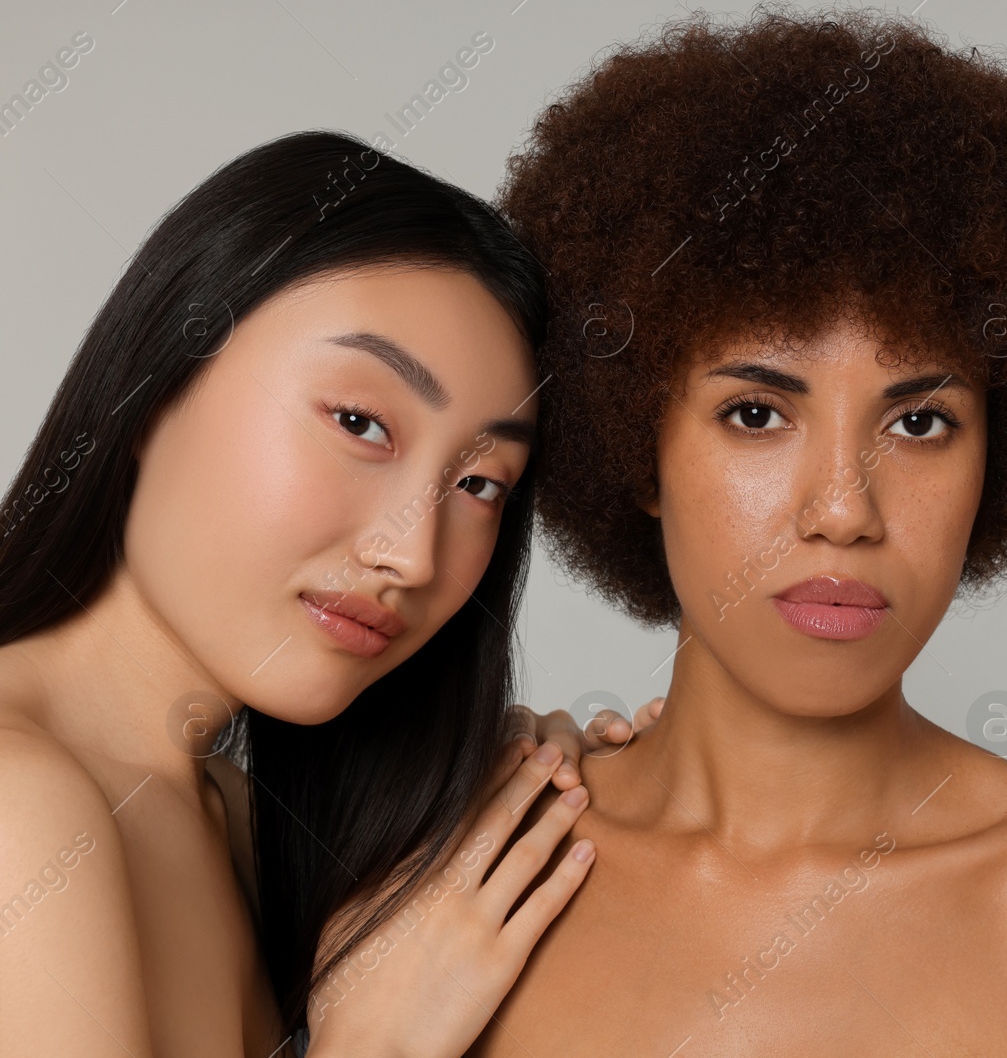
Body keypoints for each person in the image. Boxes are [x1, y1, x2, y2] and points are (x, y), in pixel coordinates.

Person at [473, 6, 1007, 1056]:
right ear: (632, 441)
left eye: (918, 422)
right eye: (756, 413)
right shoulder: (479, 870)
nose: (842, 510)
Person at [0, 130, 605, 1057]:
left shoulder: (240, 827)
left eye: (481, 484)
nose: (410, 554)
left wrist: (526, 804)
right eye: (360, 422)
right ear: (155, 383)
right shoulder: (18, 804)